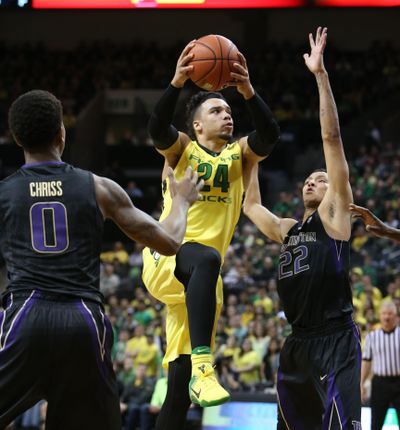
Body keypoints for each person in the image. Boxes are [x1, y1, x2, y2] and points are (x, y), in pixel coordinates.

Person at [0, 89, 202, 430]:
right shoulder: (98, 187)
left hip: (26, 317)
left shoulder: (4, 193)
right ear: (62, 134)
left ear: (17, 138)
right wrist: (181, 200)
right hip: (82, 321)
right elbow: (168, 242)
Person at [142, 39, 280, 429]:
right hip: (166, 254)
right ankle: (206, 364)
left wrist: (247, 91)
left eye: (229, 110)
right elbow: (157, 128)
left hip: (201, 282)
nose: (227, 115)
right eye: (216, 110)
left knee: (177, 389)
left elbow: (269, 133)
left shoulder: (241, 156)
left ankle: (195, 373)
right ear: (197, 125)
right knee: (205, 256)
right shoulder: (183, 150)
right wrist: (177, 82)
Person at [244, 28, 361, 429]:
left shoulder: (335, 216)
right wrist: (251, 153)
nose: (312, 181)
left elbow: (330, 137)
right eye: (308, 179)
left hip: (335, 339)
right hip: (297, 342)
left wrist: (320, 75)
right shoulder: (290, 229)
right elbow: (252, 205)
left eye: (320, 179)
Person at [361, 301, 400, 430]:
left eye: (390, 313)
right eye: (384, 313)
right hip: (380, 383)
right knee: (376, 422)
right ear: (380, 315)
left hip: (399, 381)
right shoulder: (372, 337)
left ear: (396, 316)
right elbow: (366, 361)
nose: (387, 317)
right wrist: (361, 383)